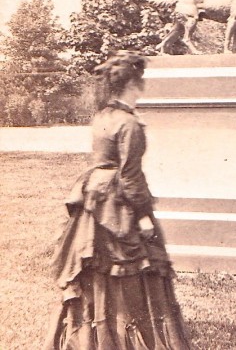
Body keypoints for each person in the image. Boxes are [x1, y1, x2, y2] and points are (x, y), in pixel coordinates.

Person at [43, 51, 191, 350]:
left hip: (94, 198)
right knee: (134, 264)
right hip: (117, 201)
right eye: (142, 81)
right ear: (134, 84)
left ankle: (97, 334)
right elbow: (130, 177)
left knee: (97, 268)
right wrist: (144, 217)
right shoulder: (129, 123)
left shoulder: (103, 116)